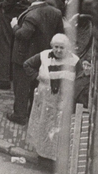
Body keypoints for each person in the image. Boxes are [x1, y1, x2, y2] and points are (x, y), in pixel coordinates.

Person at [7, 0, 64, 125]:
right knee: (36, 86)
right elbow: (59, 33)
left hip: (24, 56)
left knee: (21, 87)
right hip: (43, 55)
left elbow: (23, 35)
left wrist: (15, 26)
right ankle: (34, 113)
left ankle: (19, 115)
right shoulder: (55, 12)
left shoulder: (32, 15)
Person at [24, 33, 82, 166]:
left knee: (59, 127)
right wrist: (37, 77)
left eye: (62, 48)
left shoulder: (74, 61)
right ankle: (43, 155)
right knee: (44, 126)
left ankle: (57, 158)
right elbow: (27, 65)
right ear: (52, 46)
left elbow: (80, 78)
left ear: (67, 48)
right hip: (46, 100)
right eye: (56, 47)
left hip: (63, 101)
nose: (58, 50)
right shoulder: (44, 55)